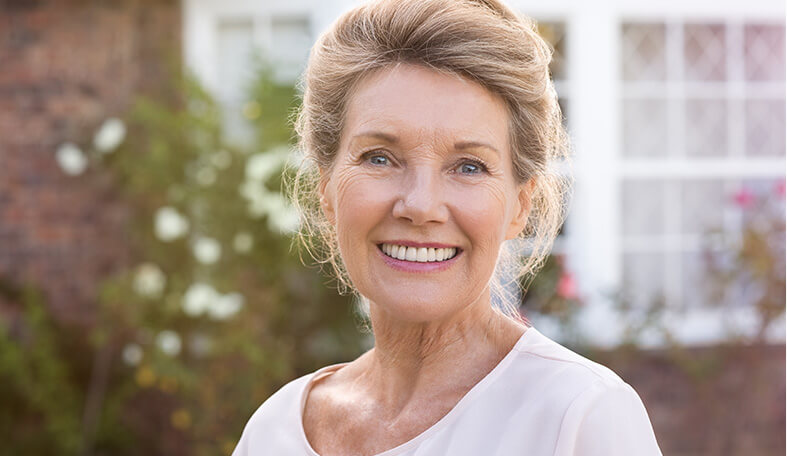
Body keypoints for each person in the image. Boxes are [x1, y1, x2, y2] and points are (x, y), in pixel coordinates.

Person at [233, 0, 663, 454]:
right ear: (327, 189)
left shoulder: (578, 415)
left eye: (469, 166)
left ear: (520, 205)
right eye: (379, 158)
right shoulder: (275, 430)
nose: (420, 206)